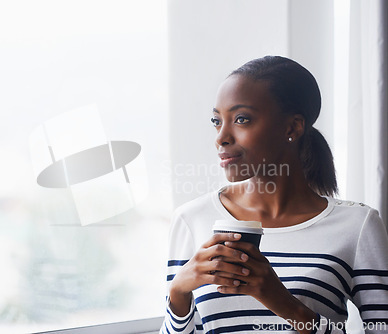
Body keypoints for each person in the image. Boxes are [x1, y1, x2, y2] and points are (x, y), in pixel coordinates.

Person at [160, 56, 388, 334]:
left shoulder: (357, 226)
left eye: (241, 119)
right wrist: (178, 295)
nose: (221, 137)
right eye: (216, 121)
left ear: (292, 127)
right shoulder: (191, 219)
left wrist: (284, 304)